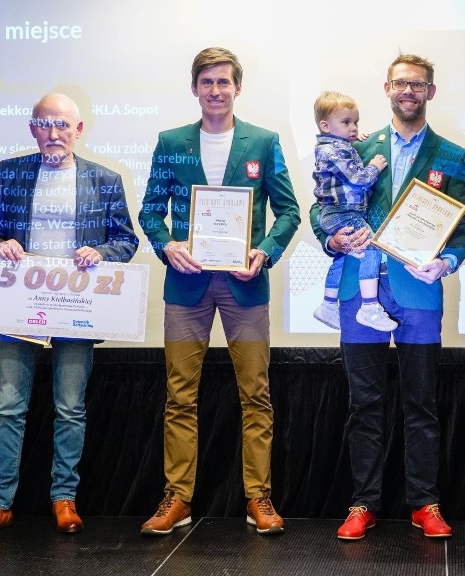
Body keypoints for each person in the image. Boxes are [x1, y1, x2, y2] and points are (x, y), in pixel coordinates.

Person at [0, 93, 138, 541]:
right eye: (45, 124)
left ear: (78, 130)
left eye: (62, 124)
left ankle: (64, 498)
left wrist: (100, 251)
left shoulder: (105, 179)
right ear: (32, 129)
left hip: (76, 309)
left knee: (70, 408)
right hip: (20, 305)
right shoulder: (11, 173)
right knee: (9, 406)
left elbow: (126, 241)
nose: (54, 133)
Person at [138, 47, 300, 536]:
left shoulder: (263, 142)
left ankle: (258, 497)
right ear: (194, 88)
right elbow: (150, 211)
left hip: (244, 287)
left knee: (256, 395)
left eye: (223, 82)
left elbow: (289, 211)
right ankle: (178, 498)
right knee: (179, 397)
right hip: (185, 287)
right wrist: (167, 245)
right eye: (206, 82)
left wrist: (264, 252)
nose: (215, 90)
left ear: (237, 88)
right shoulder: (171, 142)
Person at [310, 53, 465, 541]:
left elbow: (462, 224)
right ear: (387, 89)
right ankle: (364, 502)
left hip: (418, 290)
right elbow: (322, 204)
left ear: (430, 92)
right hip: (357, 290)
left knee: (421, 403)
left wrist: (448, 262)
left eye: (417, 85)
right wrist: (331, 237)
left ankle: (425, 503)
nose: (408, 92)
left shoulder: (452, 155)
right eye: (401, 83)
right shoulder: (354, 144)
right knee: (364, 404)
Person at [311, 90, 395, 332]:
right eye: (346, 122)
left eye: (356, 122)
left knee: (344, 254)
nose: (354, 128)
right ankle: (369, 307)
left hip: (336, 213)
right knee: (371, 248)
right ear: (325, 126)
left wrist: (353, 139)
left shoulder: (335, 146)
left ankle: (328, 305)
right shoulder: (333, 151)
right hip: (343, 211)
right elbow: (359, 179)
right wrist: (375, 166)